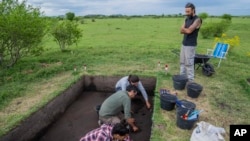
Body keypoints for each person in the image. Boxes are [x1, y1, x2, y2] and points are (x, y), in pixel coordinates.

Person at [180, 2, 202, 81]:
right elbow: (181, 30)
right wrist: (186, 30)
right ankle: (182, 78)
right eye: (186, 11)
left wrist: (186, 29)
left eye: (188, 11)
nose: (187, 13)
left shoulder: (197, 20)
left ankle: (190, 81)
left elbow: (189, 31)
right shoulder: (186, 19)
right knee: (182, 62)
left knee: (189, 64)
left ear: (193, 10)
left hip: (190, 45)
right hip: (184, 44)